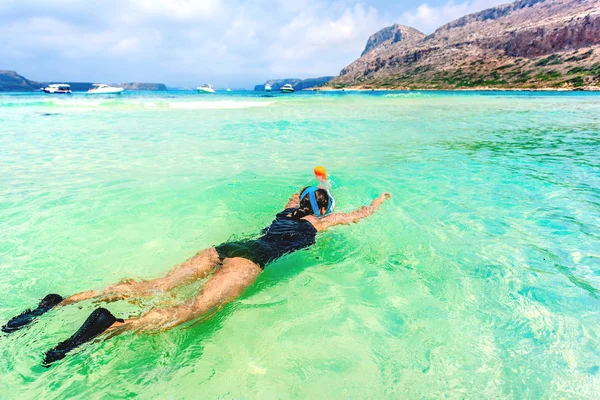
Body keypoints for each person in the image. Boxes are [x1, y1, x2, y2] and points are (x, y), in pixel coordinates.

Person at [2, 187, 391, 366]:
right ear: (322, 211)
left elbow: (298, 194)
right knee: (193, 310)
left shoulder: (286, 210)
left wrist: (313, 185)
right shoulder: (321, 223)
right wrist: (378, 202)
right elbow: (358, 215)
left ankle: (59, 302)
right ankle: (111, 327)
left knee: (151, 286)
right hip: (251, 260)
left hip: (226, 248)